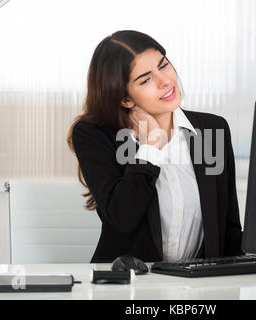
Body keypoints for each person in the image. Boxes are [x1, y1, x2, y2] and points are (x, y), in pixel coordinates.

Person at [68, 30, 243, 263]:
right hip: (128, 285)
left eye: (164, 65)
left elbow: (227, 229)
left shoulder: (211, 130)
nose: (165, 81)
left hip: (198, 286)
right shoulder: (97, 136)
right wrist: (151, 146)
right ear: (125, 99)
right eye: (145, 79)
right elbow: (122, 217)